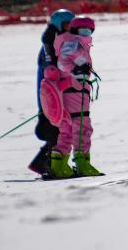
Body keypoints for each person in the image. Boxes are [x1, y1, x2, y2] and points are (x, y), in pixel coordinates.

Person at [49, 16, 101, 178]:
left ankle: (58, 165)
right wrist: (76, 70)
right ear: (74, 30)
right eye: (82, 31)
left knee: (67, 127)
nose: (85, 34)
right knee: (82, 125)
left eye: (88, 31)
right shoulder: (74, 43)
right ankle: (82, 164)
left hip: (71, 89)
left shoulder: (75, 43)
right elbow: (63, 62)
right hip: (75, 90)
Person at [28, 8, 74, 178]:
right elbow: (51, 70)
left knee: (61, 128)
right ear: (58, 25)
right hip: (50, 96)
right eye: (67, 25)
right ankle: (49, 164)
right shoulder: (50, 45)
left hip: (58, 93)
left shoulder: (58, 42)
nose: (70, 28)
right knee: (57, 129)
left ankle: (43, 162)